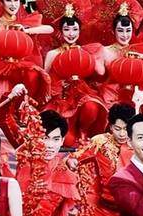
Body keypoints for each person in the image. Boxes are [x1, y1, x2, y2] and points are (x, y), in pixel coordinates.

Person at [43, 4, 108, 145]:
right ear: (61, 31)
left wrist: (93, 54)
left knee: (92, 107)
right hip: (61, 98)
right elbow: (45, 79)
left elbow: (101, 72)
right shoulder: (53, 54)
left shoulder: (86, 52)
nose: (71, 33)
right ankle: (70, 131)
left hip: (82, 94)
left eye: (75, 29)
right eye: (67, 29)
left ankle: (84, 131)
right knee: (67, 140)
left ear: (80, 31)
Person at [0, 0, 53, 102]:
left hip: (20, 69)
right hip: (0, 71)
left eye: (16, 1)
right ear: (2, 2)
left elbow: (49, 29)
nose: (13, 5)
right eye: (9, 0)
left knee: (33, 75)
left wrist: (26, 31)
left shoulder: (24, 23)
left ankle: (26, 104)